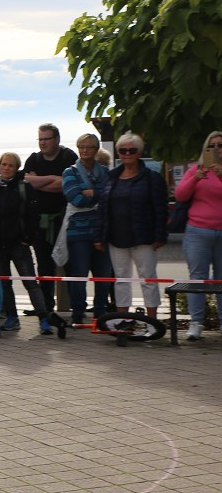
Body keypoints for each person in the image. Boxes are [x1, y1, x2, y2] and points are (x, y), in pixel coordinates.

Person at [94, 133, 168, 319]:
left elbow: (161, 208)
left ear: (139, 152)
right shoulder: (111, 178)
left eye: (132, 150)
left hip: (144, 238)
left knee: (148, 279)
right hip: (116, 238)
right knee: (121, 280)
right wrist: (99, 236)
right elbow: (103, 209)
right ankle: (122, 319)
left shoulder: (152, 178)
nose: (127, 154)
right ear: (118, 153)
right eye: (122, 150)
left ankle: (152, 321)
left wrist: (160, 236)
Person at [0, 152, 51, 334]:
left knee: (30, 282)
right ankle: (12, 317)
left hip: (19, 245)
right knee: (4, 283)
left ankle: (43, 318)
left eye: (11, 165)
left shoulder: (24, 188)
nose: (7, 168)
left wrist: (28, 239)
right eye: (4, 164)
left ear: (16, 168)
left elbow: (34, 215)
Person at [23, 124, 77, 313]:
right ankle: (45, 307)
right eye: (40, 139)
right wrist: (54, 178)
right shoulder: (33, 159)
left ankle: (75, 307)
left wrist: (40, 182)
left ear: (57, 140)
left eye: (47, 139)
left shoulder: (69, 157)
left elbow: (67, 185)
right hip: (40, 222)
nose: (43, 143)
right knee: (44, 266)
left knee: (69, 264)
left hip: (64, 220)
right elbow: (27, 183)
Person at [59, 133, 112, 324]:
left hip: (101, 230)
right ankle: (78, 312)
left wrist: (94, 193)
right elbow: (76, 198)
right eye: (82, 146)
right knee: (78, 275)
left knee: (103, 275)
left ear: (97, 149)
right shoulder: (69, 172)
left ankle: (100, 311)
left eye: (89, 147)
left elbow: (110, 197)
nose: (85, 150)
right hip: (77, 232)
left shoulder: (105, 172)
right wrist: (98, 195)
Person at [174, 131, 222, 340]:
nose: (217, 149)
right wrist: (195, 178)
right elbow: (180, 195)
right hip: (198, 231)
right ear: (205, 149)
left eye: (221, 145)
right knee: (198, 279)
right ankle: (195, 323)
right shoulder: (197, 169)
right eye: (212, 146)